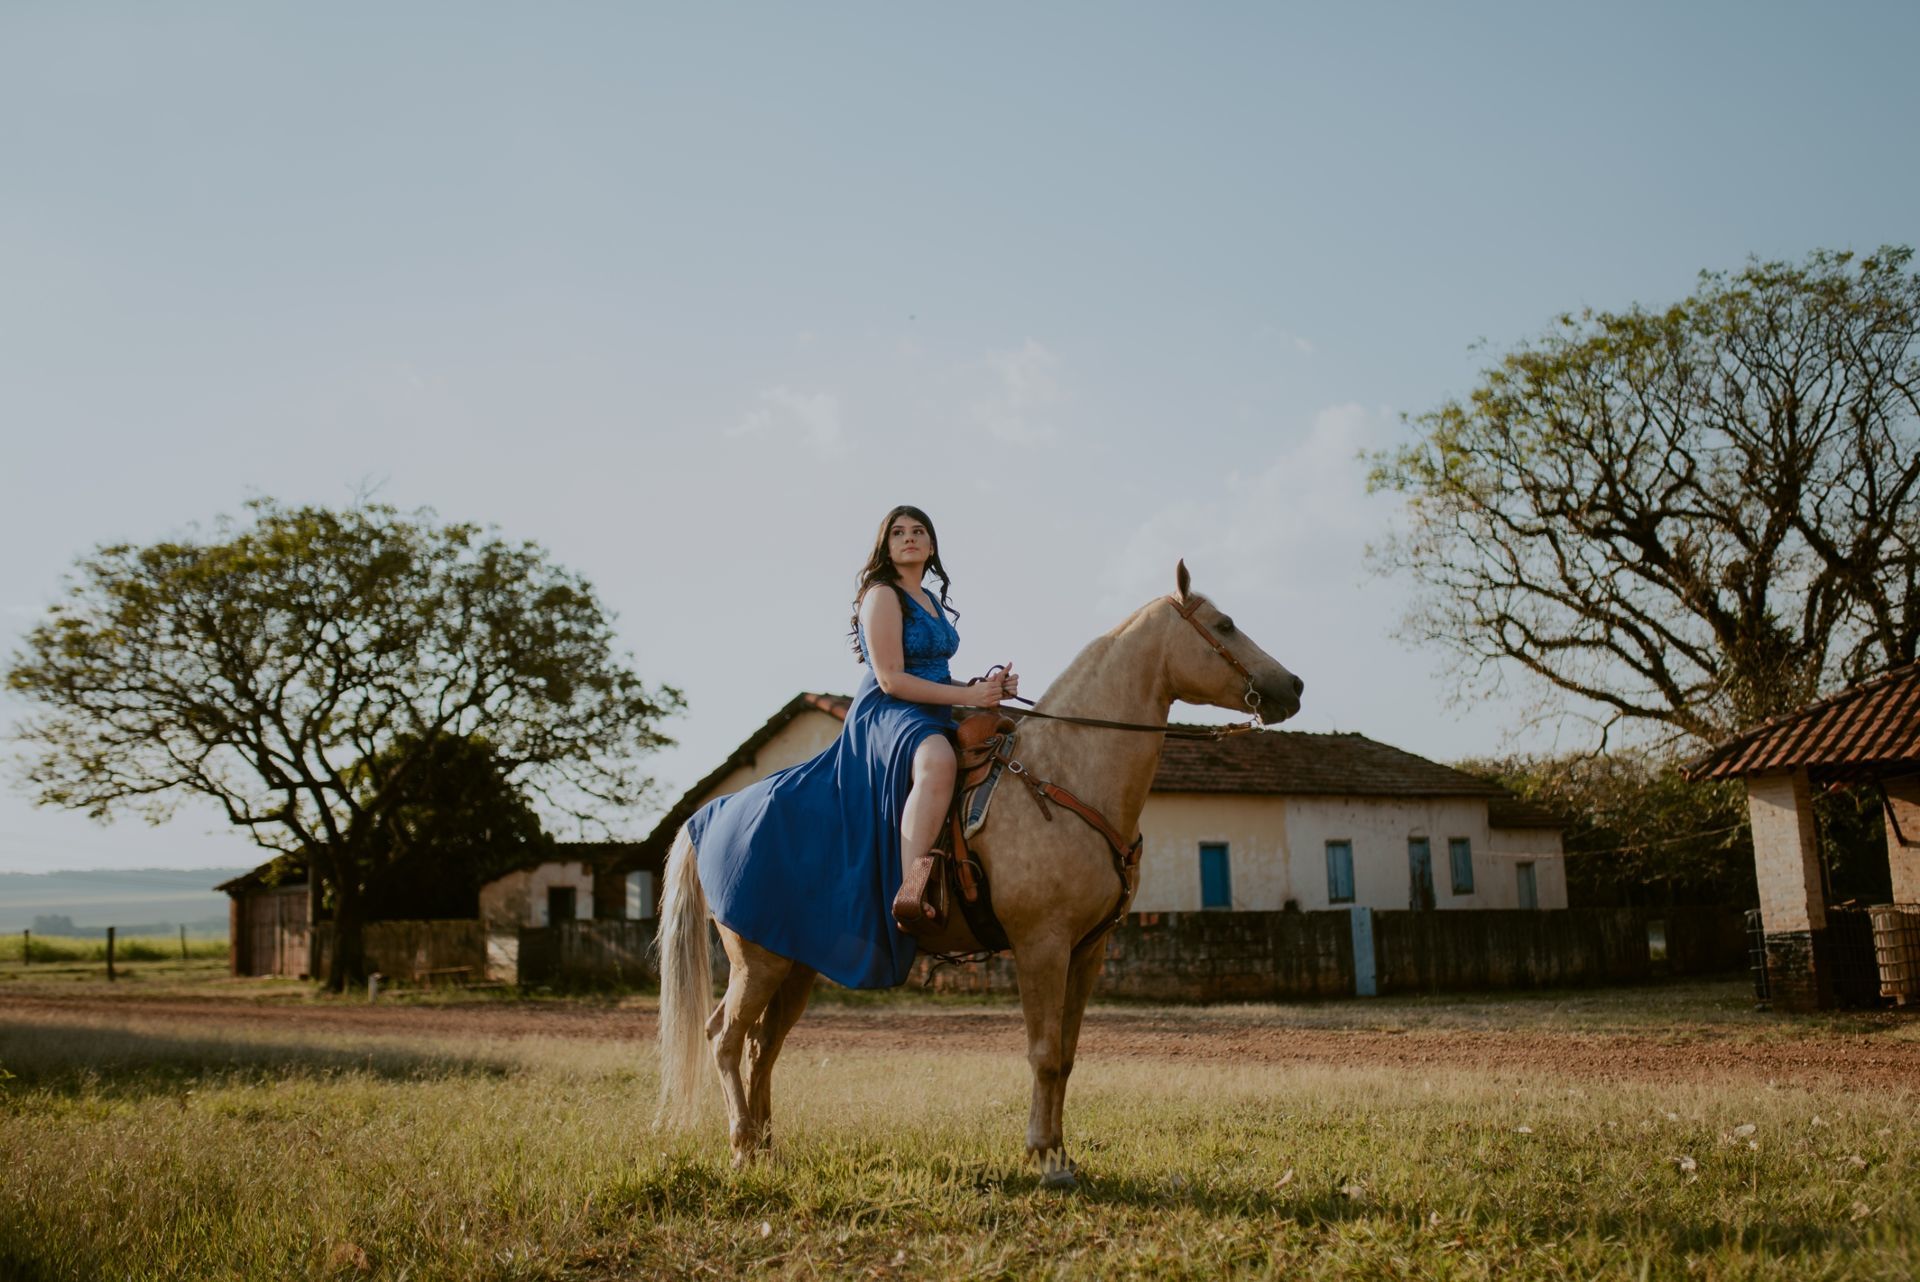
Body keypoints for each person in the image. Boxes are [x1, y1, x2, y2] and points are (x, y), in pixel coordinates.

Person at [687, 505, 1018, 989]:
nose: (909, 538)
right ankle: (913, 888)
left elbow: (933, 674)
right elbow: (891, 678)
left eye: (918, 531)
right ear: (886, 546)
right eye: (898, 532)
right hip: (886, 712)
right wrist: (966, 697)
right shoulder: (881, 596)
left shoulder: (928, 597)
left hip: (929, 707)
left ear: (931, 546)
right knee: (938, 760)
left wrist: (988, 689)